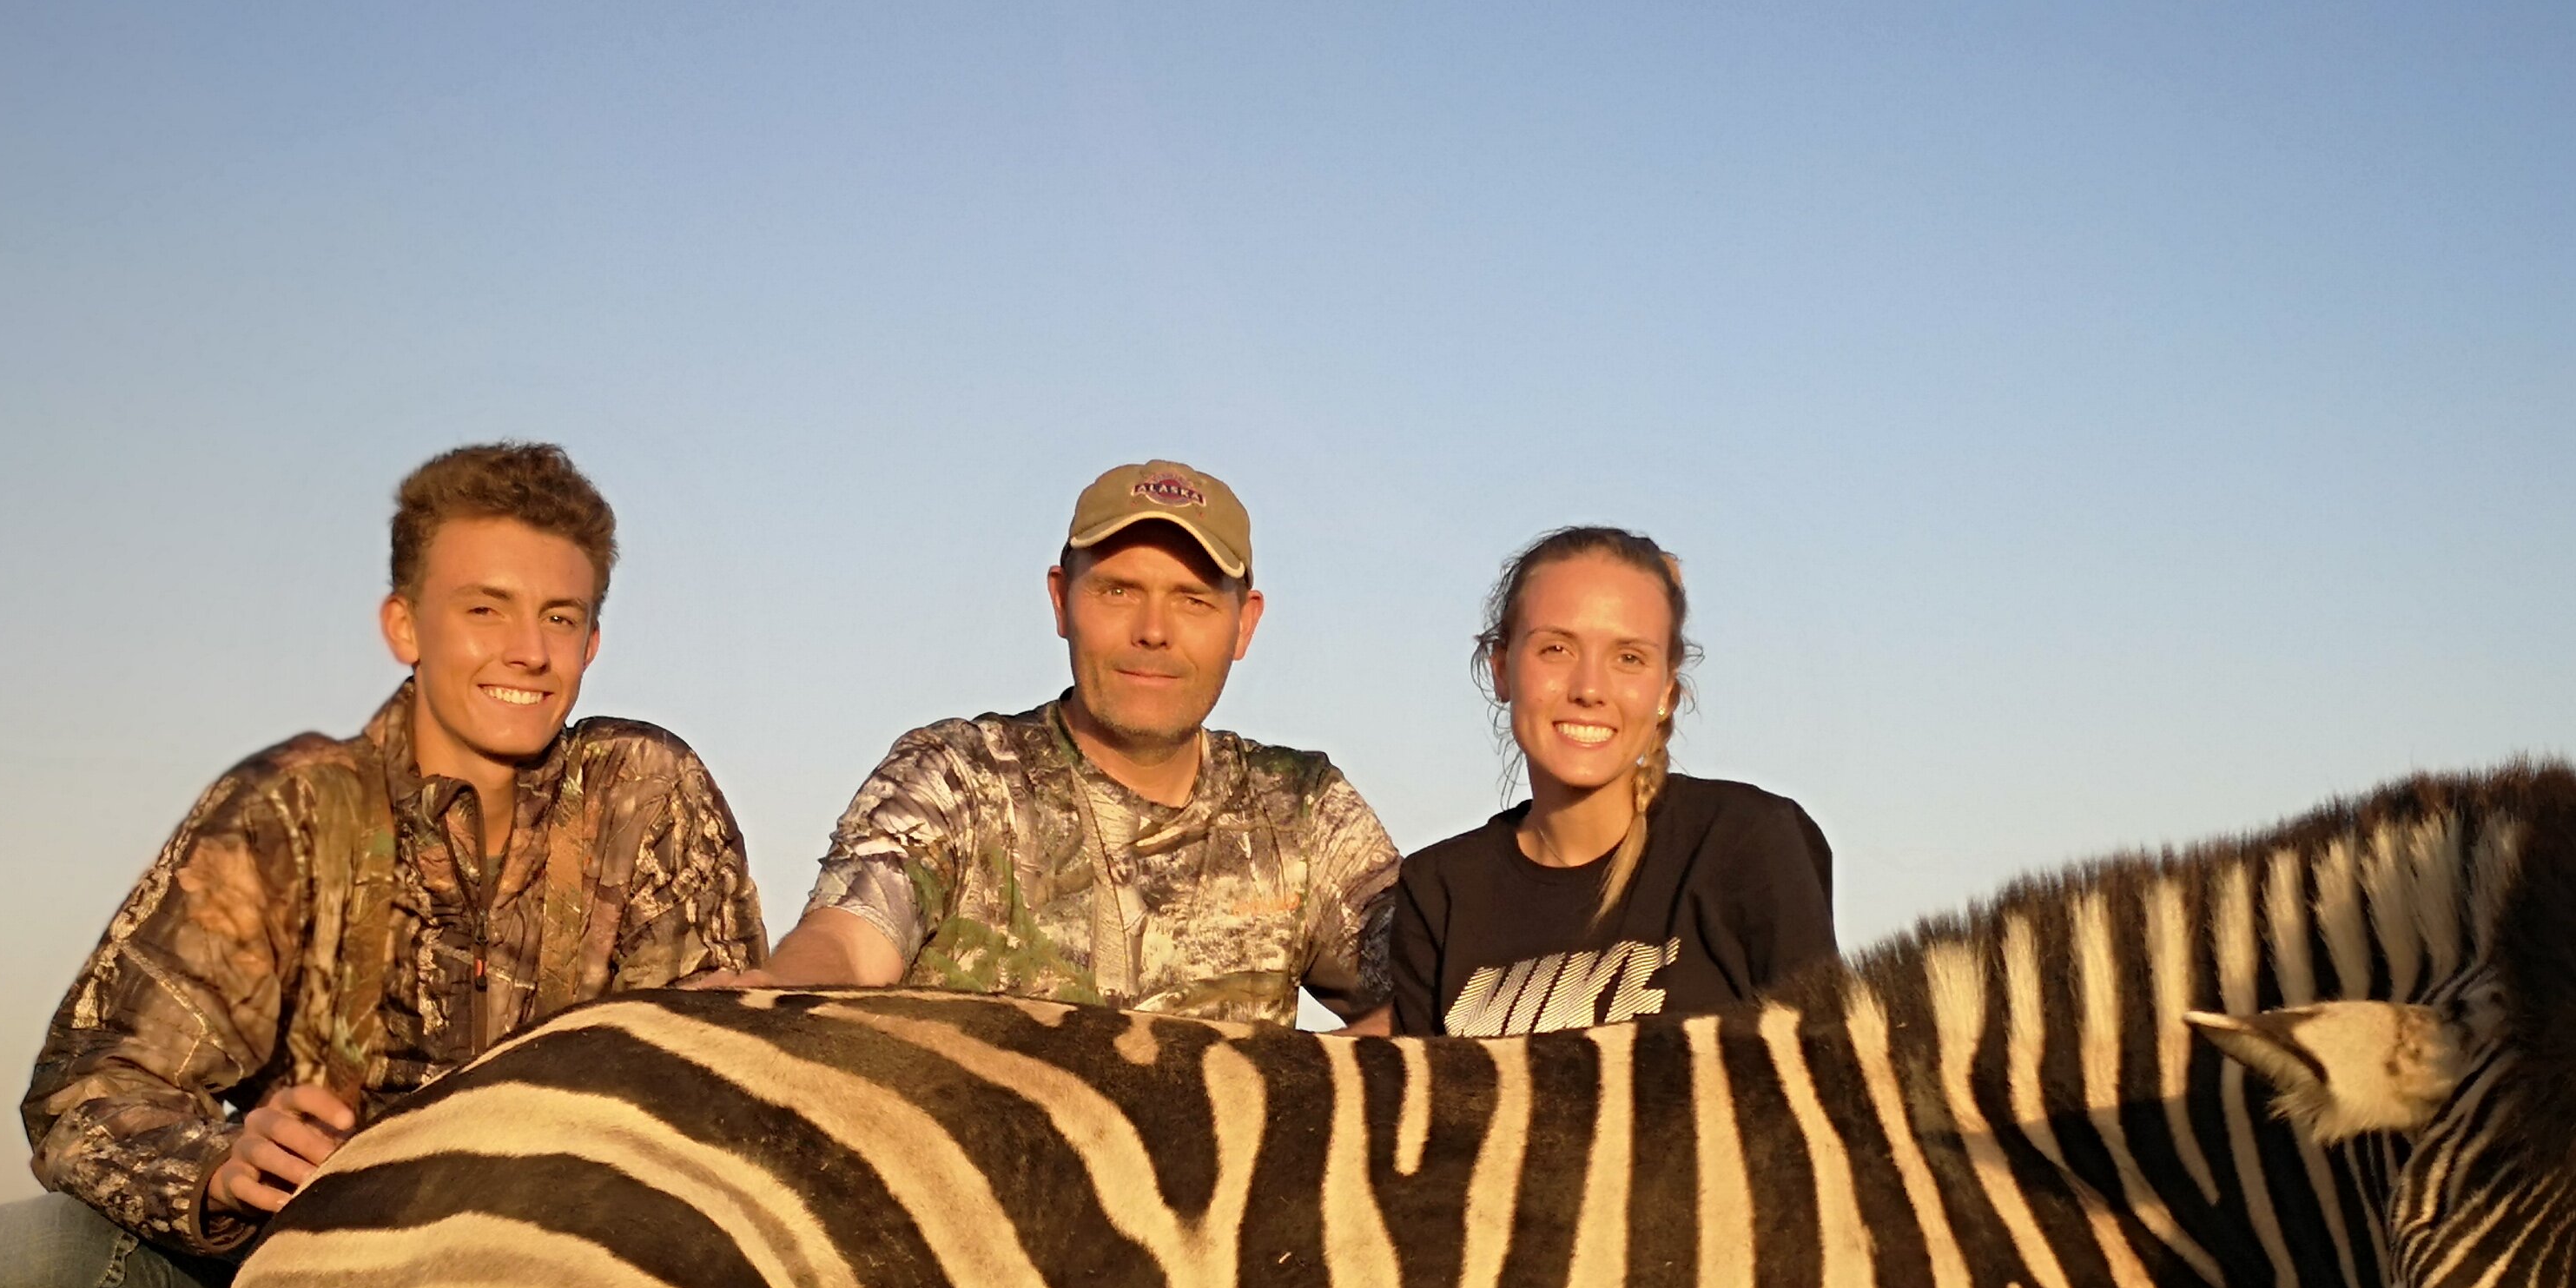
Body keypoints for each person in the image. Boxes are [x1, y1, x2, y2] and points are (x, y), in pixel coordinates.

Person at [0, 444, 767, 1288]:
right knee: (30, 1272)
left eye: (562, 618)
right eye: (485, 609)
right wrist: (218, 1165)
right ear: (403, 626)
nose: (528, 651)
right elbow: (87, 1087)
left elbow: (725, 1083)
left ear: (593, 641)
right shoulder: (290, 811)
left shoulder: (645, 791)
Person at [736, 459, 1397, 1027]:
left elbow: (1440, 994)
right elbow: (851, 939)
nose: (1154, 631)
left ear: (1244, 624)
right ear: (1061, 602)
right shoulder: (957, 774)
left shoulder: (1302, 810)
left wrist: (1287, 1099)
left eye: (1193, 600)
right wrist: (780, 991)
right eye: (1118, 591)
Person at [1390, 525, 1834, 1037]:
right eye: (1556, 649)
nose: (1590, 689)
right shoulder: (1439, 889)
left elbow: (1826, 1081)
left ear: (1665, 689)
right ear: (1502, 669)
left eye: (1629, 658)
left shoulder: (1748, 842)